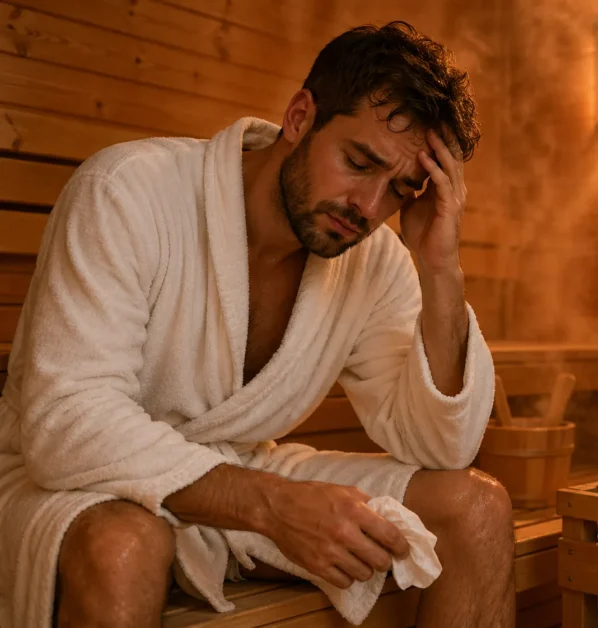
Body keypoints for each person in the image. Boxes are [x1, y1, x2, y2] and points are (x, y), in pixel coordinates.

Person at [0, 21, 515, 628]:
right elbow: (68, 420)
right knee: (124, 547)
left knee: (476, 509)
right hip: (68, 481)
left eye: (399, 189)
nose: (370, 208)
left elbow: (443, 447)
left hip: (232, 474)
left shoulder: (374, 258)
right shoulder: (128, 190)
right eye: (358, 161)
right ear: (300, 117)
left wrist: (440, 268)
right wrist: (273, 507)